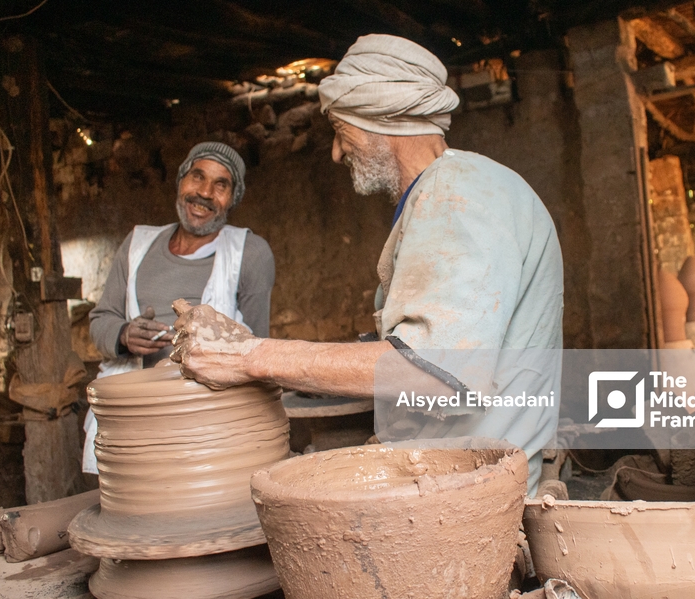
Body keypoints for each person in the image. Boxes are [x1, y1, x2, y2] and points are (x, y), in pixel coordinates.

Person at [170, 35, 563, 495]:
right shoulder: (453, 191)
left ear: (383, 119)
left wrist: (251, 356)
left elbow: (430, 373)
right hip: (459, 482)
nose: (337, 151)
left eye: (341, 129)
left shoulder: (457, 196)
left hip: (474, 502)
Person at [83, 141, 275, 473]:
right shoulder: (137, 245)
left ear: (233, 199)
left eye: (220, 185)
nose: (204, 192)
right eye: (197, 177)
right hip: (128, 414)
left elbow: (258, 348)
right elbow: (101, 320)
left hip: (204, 420)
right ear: (180, 182)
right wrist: (124, 335)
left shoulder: (250, 254)